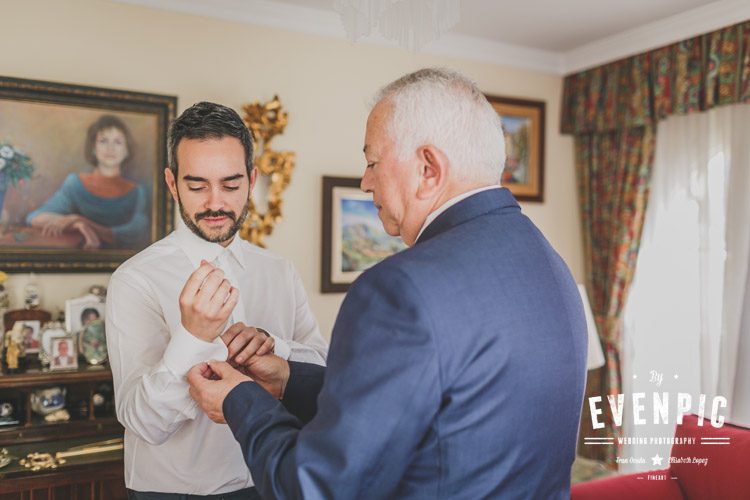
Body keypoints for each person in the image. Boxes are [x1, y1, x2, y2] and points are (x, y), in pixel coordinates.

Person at [188, 68, 588, 499]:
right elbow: (432, 408)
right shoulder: (548, 262)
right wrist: (288, 379)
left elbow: (314, 488)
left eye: (373, 162)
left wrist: (240, 401)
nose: (364, 181)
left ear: (428, 168)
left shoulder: (400, 290)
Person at [105, 102, 328, 499]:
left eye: (230, 184)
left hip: (272, 480)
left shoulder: (280, 271)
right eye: (196, 185)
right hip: (175, 493)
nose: (215, 203)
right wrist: (193, 337)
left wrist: (275, 345)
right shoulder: (135, 279)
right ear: (172, 184)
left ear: (251, 179)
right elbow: (144, 423)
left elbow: (323, 371)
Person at [26, 115, 149, 249]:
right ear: (93, 148)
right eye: (103, 141)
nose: (110, 148)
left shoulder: (137, 191)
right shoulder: (75, 184)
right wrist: (78, 224)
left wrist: (81, 220)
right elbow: (35, 217)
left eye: (118, 142)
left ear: (127, 150)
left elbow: (136, 234)